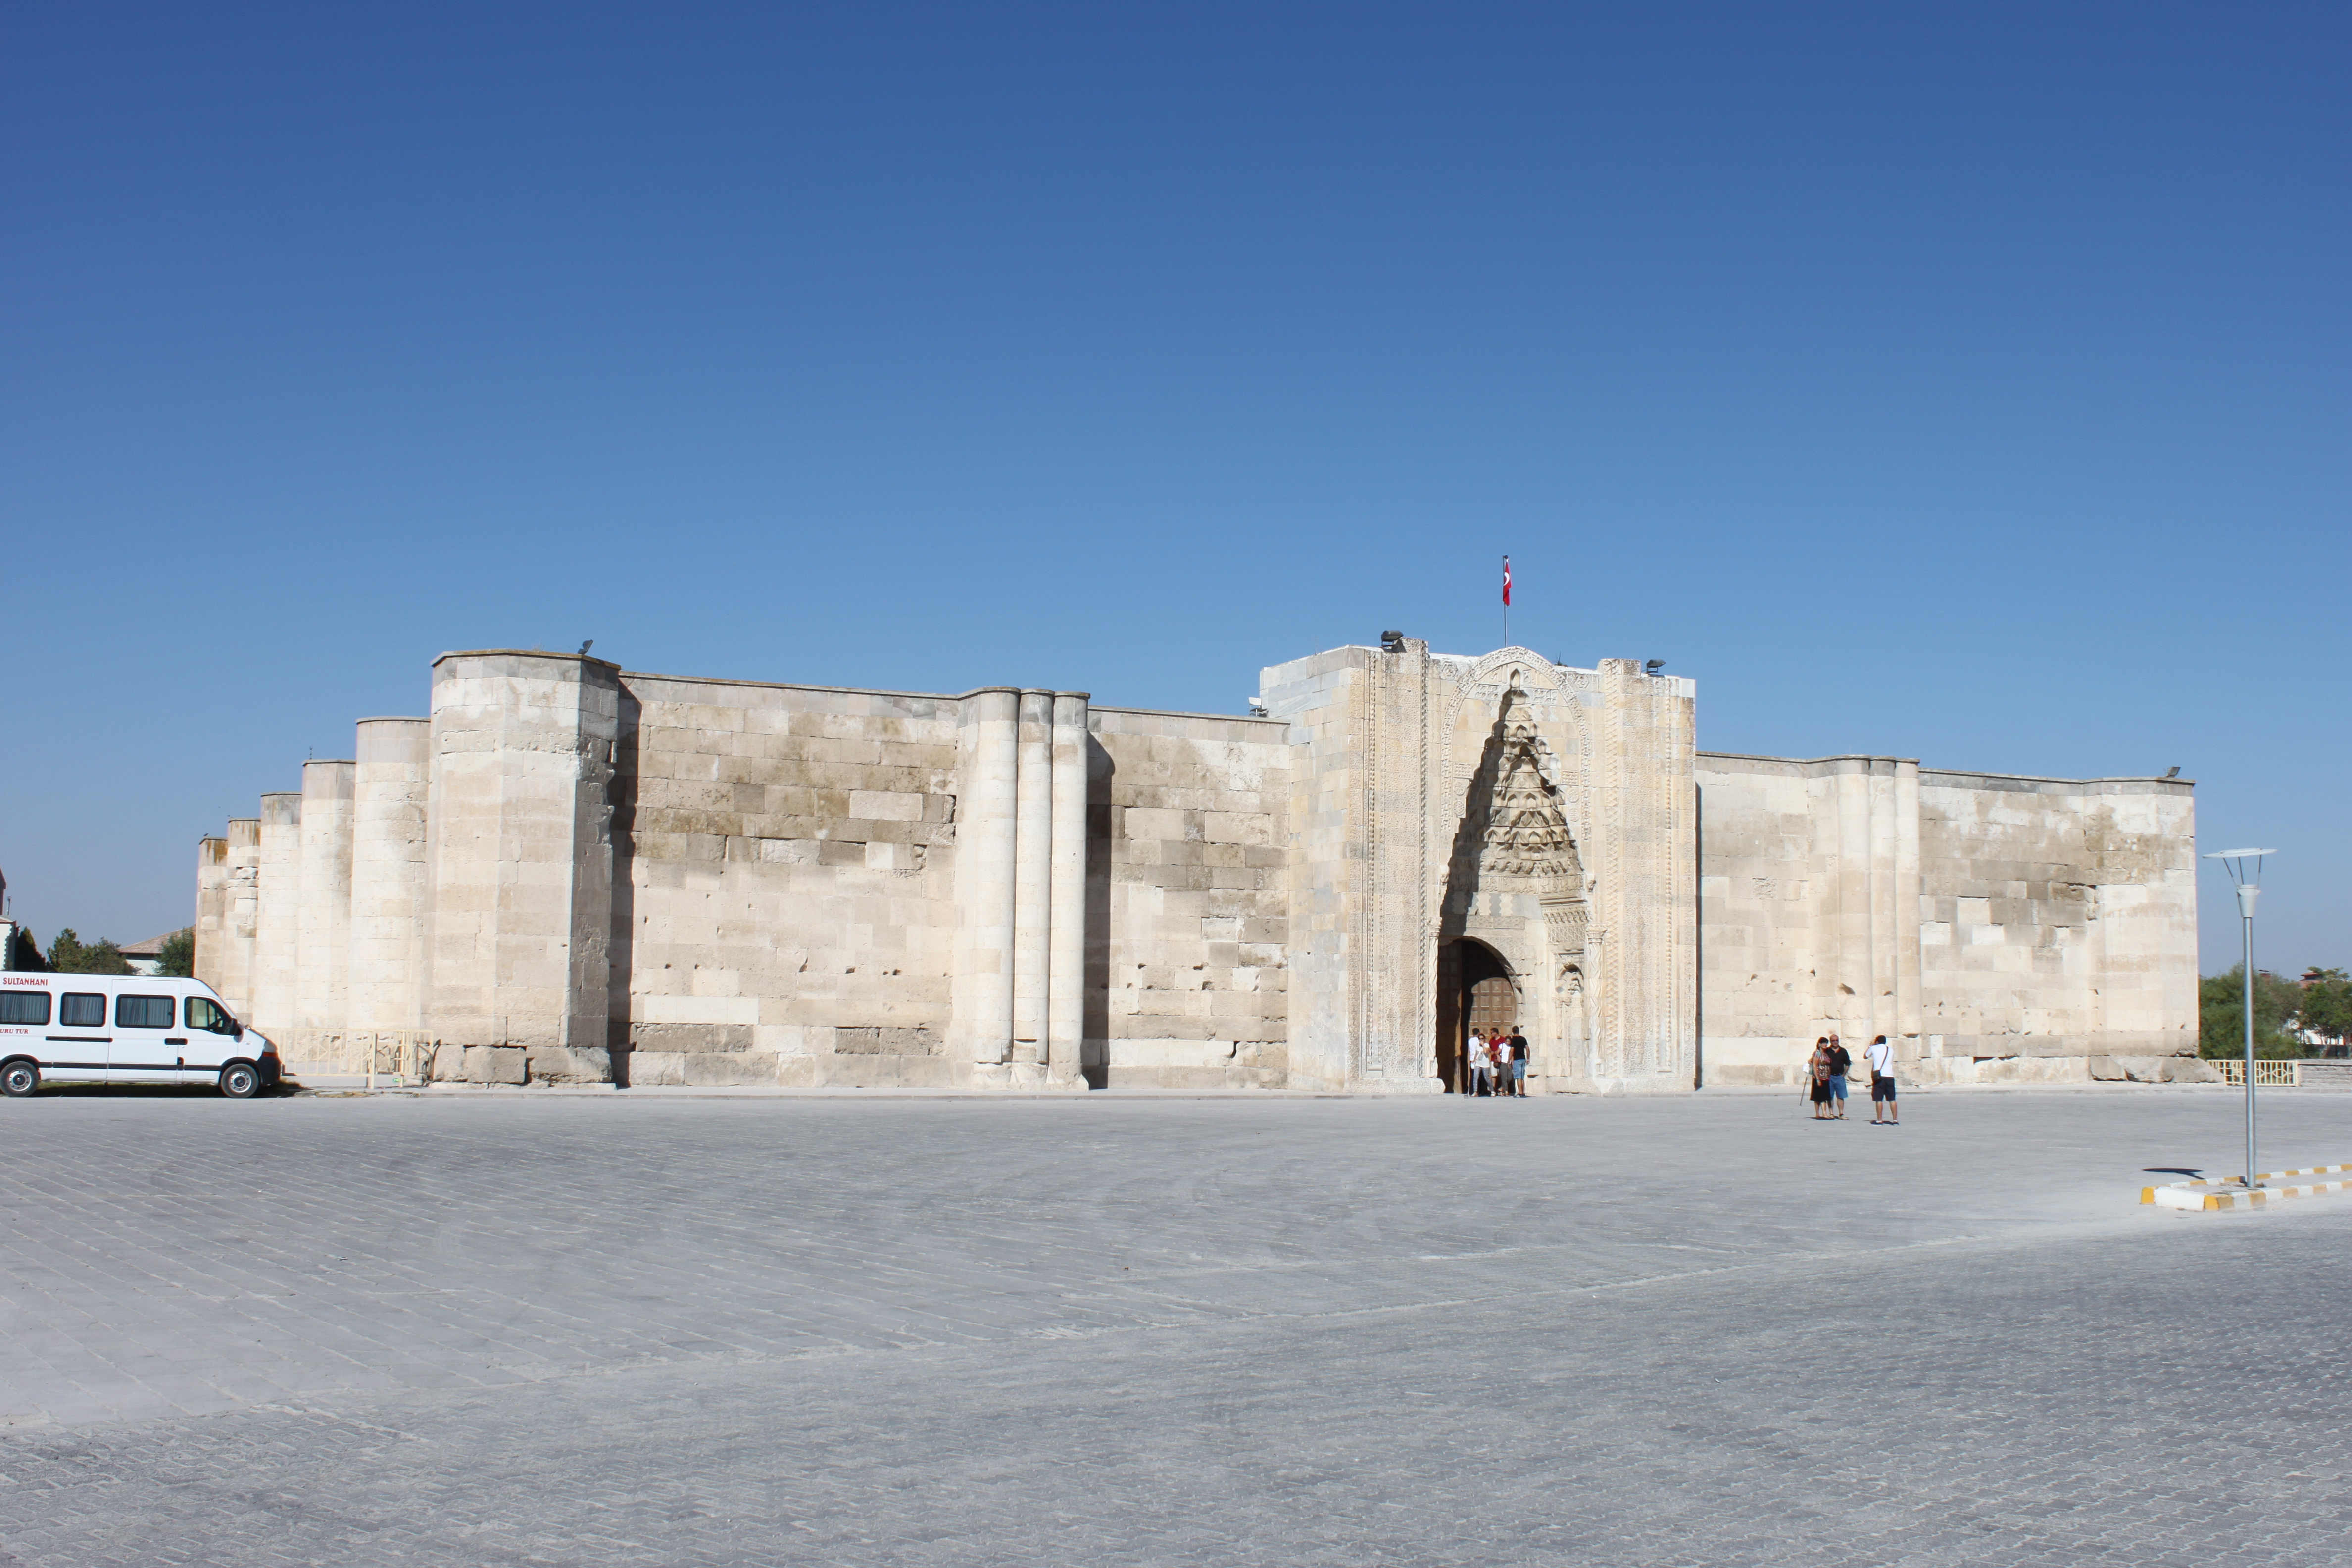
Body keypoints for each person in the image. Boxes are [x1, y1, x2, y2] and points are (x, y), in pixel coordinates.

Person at [1866, 1034, 1898, 1124]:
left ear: (1877, 1041)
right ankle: (1895, 1119)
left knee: (1879, 1099)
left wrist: (1871, 1045)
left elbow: (1865, 1056)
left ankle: (1880, 1119)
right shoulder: (1891, 1050)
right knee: (1892, 1099)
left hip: (1879, 1077)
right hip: (1890, 1076)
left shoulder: (1874, 1048)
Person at [1825, 1033, 1852, 1119]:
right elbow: (1818, 1057)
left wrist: (1844, 1075)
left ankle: (1841, 1113)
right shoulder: (1827, 1051)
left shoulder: (1843, 1051)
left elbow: (1848, 1064)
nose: (1835, 1042)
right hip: (1830, 1077)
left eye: (1837, 1041)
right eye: (1833, 1041)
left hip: (1840, 1076)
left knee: (1841, 1096)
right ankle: (1831, 1113)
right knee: (1830, 1096)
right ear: (1831, 1042)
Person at [1805, 1038, 1833, 1119]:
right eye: (1823, 1043)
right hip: (1819, 1077)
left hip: (1826, 1077)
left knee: (1824, 1096)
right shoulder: (1817, 1053)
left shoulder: (1826, 1053)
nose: (1825, 1045)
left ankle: (1824, 1113)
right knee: (1818, 1096)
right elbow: (1815, 1065)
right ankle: (1819, 1113)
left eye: (1826, 1043)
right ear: (1819, 1044)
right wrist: (1818, 1079)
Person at [1508, 1029, 1529, 1097]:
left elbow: (1512, 1051)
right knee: (1522, 1077)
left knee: (1518, 1077)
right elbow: (1527, 1048)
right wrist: (1528, 1058)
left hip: (1517, 1059)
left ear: (1513, 1032)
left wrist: (1509, 1059)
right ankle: (1523, 1092)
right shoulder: (1523, 1039)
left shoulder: (1513, 1040)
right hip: (1523, 1059)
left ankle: (1520, 1093)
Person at [1469, 1030, 1491, 1096]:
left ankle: (1472, 1091)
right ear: (1478, 1034)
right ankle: (1481, 1091)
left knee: (1473, 1076)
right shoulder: (1478, 1042)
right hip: (1478, 1060)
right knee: (1481, 1077)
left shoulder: (1470, 1041)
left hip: (1472, 1059)